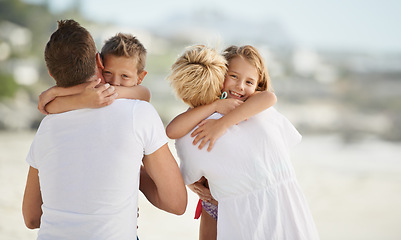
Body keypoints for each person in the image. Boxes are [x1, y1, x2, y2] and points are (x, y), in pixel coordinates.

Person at [22, 19, 187, 240]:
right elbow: (176, 203)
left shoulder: (48, 124)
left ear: (52, 76)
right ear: (99, 61)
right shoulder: (138, 113)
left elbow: (31, 218)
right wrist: (132, 173)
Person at [167, 45, 319, 239]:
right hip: (213, 204)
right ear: (221, 74)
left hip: (250, 199)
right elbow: (173, 130)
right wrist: (216, 105)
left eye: (249, 81)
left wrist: (222, 124)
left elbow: (269, 97)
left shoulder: (251, 103)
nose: (240, 86)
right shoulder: (209, 105)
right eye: (234, 77)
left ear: (257, 84)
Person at [37, 32, 151, 114]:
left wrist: (57, 91)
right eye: (108, 72)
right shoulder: (91, 93)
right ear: (100, 65)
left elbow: (50, 107)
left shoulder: (141, 92)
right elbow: (50, 107)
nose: (114, 82)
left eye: (125, 76)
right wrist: (82, 100)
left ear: (140, 77)